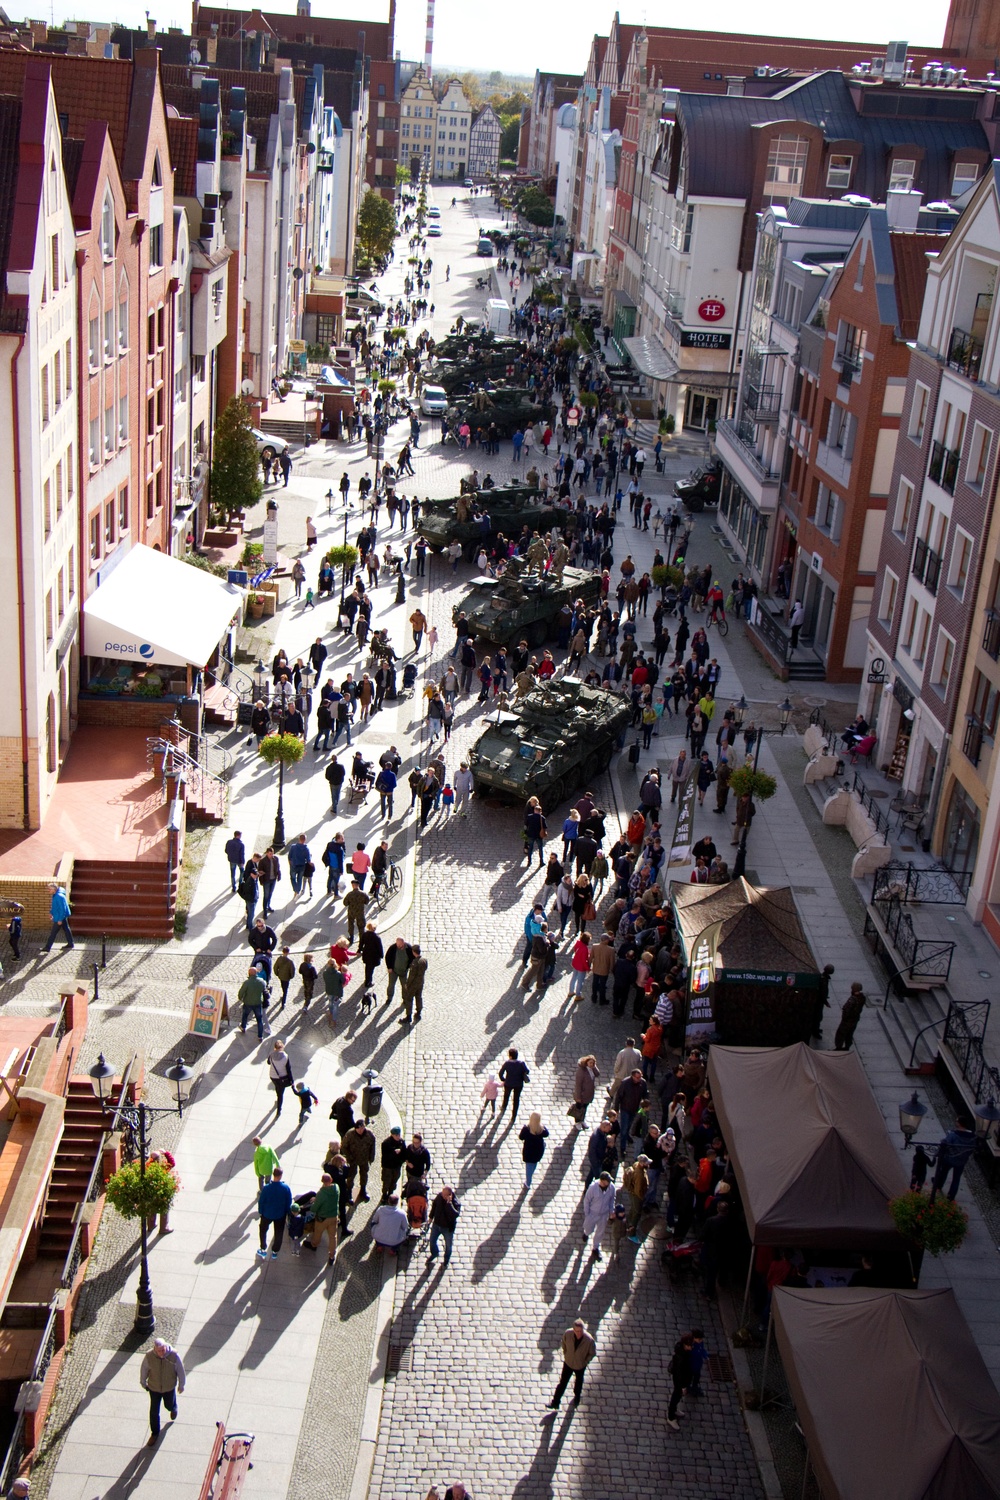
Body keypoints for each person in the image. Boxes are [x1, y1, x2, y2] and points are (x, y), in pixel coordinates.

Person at [140, 1337, 186, 1445]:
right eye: (159, 1350)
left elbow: (180, 1370)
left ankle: (173, 1408)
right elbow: (144, 1369)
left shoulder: (174, 1356)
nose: (161, 1352)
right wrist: (143, 1382)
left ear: (165, 1346)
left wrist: (181, 1385)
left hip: (169, 1387)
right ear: (155, 1349)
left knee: (168, 1405)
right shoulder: (149, 1356)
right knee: (154, 1412)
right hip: (154, 1388)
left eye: (163, 1349)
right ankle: (155, 1433)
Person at [545, 1319, 596, 1411]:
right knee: (562, 1383)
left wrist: (585, 1361)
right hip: (568, 1363)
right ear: (573, 1329)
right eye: (576, 1331)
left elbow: (592, 1353)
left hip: (580, 1365)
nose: (578, 1333)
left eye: (580, 1331)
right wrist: (566, 1354)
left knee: (579, 1382)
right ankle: (555, 1402)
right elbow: (563, 1344)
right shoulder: (568, 1334)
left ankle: (577, 1396)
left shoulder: (589, 1340)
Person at [932, 1115, 977, 1200]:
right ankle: (951, 1196)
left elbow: (944, 1146)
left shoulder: (953, 1135)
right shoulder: (972, 1137)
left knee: (943, 1172)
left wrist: (937, 1154)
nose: (955, 1122)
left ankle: (939, 1185)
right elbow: (971, 1149)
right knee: (956, 1179)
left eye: (957, 1121)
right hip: (961, 1161)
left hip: (949, 1158)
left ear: (959, 1124)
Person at [256, 1167, 292, 1259]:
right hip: (280, 1214)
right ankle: (275, 1251)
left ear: (273, 1175)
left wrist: (261, 1212)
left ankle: (263, 1248)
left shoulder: (267, 1188)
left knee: (263, 1230)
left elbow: (261, 1201)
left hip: (267, 1214)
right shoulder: (285, 1188)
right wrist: (287, 1212)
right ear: (281, 1176)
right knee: (279, 1233)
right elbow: (289, 1202)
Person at [305, 1173, 341, 1263]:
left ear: (322, 1182)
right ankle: (332, 1256)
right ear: (331, 1180)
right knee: (333, 1237)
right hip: (334, 1216)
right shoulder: (336, 1188)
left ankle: (314, 1245)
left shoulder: (321, 1193)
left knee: (318, 1232)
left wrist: (315, 1200)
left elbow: (314, 1208)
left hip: (322, 1218)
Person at [582, 1171, 616, 1259]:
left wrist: (611, 1211)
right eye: (607, 1181)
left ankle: (595, 1248)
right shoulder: (593, 1187)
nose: (609, 1183)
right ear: (602, 1181)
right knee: (588, 1228)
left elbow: (612, 1199)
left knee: (600, 1232)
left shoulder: (611, 1187)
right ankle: (586, 1233)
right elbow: (587, 1201)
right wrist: (587, 1214)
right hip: (592, 1213)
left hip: (603, 1214)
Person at [342, 1118, 377, 1203]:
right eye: (359, 1129)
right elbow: (344, 1146)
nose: (361, 1130)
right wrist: (349, 1157)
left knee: (364, 1175)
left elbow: (373, 1145)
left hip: (364, 1159)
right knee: (351, 1176)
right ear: (356, 1128)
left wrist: (371, 1157)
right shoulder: (350, 1134)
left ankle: (363, 1191)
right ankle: (349, 1192)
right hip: (353, 1159)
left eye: (362, 1128)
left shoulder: (369, 1134)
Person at [427, 1184, 461, 1265]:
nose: (442, 1195)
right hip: (436, 1225)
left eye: (444, 1195)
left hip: (447, 1228)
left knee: (448, 1246)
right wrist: (431, 1217)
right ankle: (435, 1253)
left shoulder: (456, 1203)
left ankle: (446, 1260)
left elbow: (455, 1215)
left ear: (450, 1195)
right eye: (442, 1193)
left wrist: (449, 1204)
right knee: (432, 1241)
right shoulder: (439, 1196)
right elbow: (434, 1206)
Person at [666, 1333, 695, 1428]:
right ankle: (671, 1417)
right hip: (680, 1380)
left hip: (684, 1379)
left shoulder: (684, 1353)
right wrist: (683, 1386)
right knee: (676, 1396)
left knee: (678, 1396)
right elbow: (679, 1374)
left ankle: (674, 1410)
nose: (691, 1348)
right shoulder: (681, 1357)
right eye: (689, 1346)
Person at [498, 1048, 530, 1122]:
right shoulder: (521, 1063)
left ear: (510, 1056)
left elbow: (500, 1074)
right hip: (518, 1084)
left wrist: (504, 1080)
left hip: (509, 1083)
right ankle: (513, 1116)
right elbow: (527, 1071)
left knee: (506, 1096)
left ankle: (504, 1107)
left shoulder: (507, 1063)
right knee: (516, 1099)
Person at [519, 1112, 549, 1189]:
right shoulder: (541, 1129)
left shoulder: (526, 1129)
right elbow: (547, 1134)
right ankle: (530, 1176)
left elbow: (521, 1137)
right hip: (538, 1151)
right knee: (534, 1163)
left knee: (529, 1166)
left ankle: (528, 1182)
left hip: (529, 1151)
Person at [835, 982, 867, 1050]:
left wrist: (844, 1018)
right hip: (855, 1020)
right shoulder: (862, 998)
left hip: (847, 1021)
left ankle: (838, 1047)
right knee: (849, 1034)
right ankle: (847, 1047)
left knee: (841, 1034)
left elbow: (846, 1010)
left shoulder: (852, 999)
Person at [42, 883, 74, 952]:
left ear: (54, 889)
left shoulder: (58, 896)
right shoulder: (56, 895)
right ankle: (70, 943)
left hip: (59, 917)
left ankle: (47, 947)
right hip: (61, 916)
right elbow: (55, 906)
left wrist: (60, 919)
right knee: (66, 929)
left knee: (53, 933)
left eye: (50, 889)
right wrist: (51, 913)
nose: (48, 891)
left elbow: (62, 909)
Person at [238, 966, 268, 1040]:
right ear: (256, 973)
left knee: (245, 1015)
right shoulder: (261, 981)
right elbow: (264, 989)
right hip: (258, 1003)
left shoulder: (247, 982)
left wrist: (240, 998)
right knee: (259, 1020)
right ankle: (260, 1035)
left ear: (249, 974)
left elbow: (241, 993)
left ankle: (243, 1027)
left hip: (248, 1002)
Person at [268, 1039, 294, 1116]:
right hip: (282, 1078)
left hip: (273, 1076)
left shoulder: (271, 1055)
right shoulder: (285, 1056)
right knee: (281, 1094)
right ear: (282, 1047)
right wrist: (291, 1080)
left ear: (275, 1048)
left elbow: (268, 1062)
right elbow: (288, 1069)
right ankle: (279, 1109)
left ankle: (278, 1097)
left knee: (277, 1087)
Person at [572, 1055, 599, 1128]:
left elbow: (597, 1074)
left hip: (588, 1094)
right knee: (579, 1108)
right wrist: (578, 1097)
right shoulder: (581, 1071)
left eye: (593, 1063)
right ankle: (577, 1122)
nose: (591, 1064)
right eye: (590, 1063)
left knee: (584, 1108)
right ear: (586, 1062)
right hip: (582, 1094)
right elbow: (578, 1085)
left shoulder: (592, 1069)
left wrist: (594, 1067)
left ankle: (582, 1120)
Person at [381, 1125, 407, 1200]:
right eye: (396, 1135)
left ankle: (390, 1194)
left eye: (399, 1134)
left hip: (396, 1166)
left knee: (394, 1181)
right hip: (388, 1167)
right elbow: (385, 1156)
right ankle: (384, 1196)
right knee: (386, 1182)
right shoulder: (386, 1143)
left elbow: (404, 1154)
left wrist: (401, 1154)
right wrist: (394, 1152)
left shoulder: (401, 1142)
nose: (398, 1136)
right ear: (392, 1135)